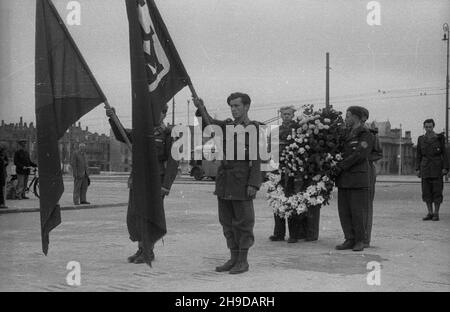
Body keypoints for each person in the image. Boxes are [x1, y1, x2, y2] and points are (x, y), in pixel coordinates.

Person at [193, 93, 262, 274]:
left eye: (237, 105)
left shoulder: (253, 129)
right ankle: (233, 258)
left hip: (242, 182)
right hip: (224, 181)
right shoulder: (227, 126)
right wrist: (200, 109)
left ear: (246, 106)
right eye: (231, 106)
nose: (233, 109)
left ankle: (243, 261)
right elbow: (208, 124)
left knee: (244, 222)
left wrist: (253, 184)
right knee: (227, 222)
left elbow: (256, 160)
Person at [106, 104, 178, 265]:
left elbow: (173, 162)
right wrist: (113, 118)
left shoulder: (168, 134)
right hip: (138, 179)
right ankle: (141, 248)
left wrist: (166, 185)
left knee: (149, 217)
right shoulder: (142, 131)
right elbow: (122, 135)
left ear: (164, 114)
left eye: (157, 112)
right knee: (136, 216)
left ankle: (148, 251)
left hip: (155, 181)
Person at [334, 106, 374, 252]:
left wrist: (341, 166)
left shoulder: (366, 134)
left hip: (358, 179)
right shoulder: (346, 134)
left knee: (357, 212)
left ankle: (359, 241)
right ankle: (349, 239)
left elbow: (360, 154)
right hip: (344, 179)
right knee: (344, 211)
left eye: (349, 115)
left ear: (357, 117)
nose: (346, 118)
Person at [269, 105, 304, 243]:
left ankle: (294, 234)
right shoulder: (276, 131)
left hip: (293, 170)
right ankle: (279, 233)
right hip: (278, 169)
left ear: (293, 115)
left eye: (289, 114)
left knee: (291, 201)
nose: (286, 116)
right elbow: (271, 149)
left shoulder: (298, 130)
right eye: (284, 114)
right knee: (277, 199)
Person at [416, 119, 449, 221]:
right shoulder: (421, 139)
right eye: (426, 127)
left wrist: (445, 168)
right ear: (424, 127)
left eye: (430, 127)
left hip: (437, 167)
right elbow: (418, 155)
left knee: (437, 191)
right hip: (425, 167)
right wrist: (418, 168)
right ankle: (430, 212)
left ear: (433, 126)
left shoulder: (439, 138)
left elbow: (445, 153)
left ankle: (436, 213)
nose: (428, 129)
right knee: (426, 191)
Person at [361, 108, 382, 247]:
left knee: (366, 206)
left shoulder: (371, 134)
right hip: (353, 173)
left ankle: (365, 238)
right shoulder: (349, 133)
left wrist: (363, 158)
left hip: (367, 171)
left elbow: (378, 153)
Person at [0, 142, 8, 209]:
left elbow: (6, 162)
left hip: (3, 174)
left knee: (2, 190)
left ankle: (2, 203)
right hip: (1, 175)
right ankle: (2, 203)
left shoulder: (4, 156)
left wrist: (5, 162)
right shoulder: (1, 158)